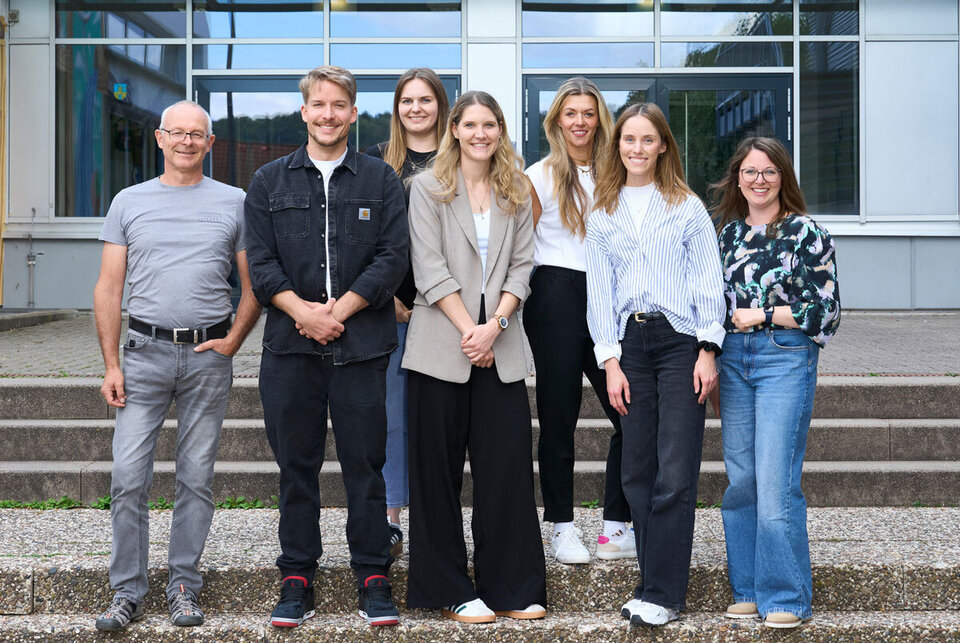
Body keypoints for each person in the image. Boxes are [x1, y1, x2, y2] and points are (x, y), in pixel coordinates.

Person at [243, 65, 409, 628]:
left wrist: (338, 312)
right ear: (304, 112)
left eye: (339, 105)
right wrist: (303, 313)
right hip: (290, 351)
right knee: (297, 468)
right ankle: (296, 578)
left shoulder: (381, 180)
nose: (329, 114)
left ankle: (373, 576)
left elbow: (393, 257)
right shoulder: (269, 181)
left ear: (354, 114)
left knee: (366, 464)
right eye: (319, 104)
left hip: (362, 348)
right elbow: (260, 263)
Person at [92, 100, 261, 631]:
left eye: (197, 134)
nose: (187, 141)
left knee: (195, 478)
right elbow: (108, 288)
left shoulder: (235, 202)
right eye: (177, 132)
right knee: (127, 478)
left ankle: (184, 585)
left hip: (209, 358)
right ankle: (127, 591)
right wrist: (110, 364)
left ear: (210, 144)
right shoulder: (128, 201)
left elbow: (254, 285)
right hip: (143, 355)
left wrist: (234, 340)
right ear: (160, 138)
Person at [402, 90, 546, 624]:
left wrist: (495, 327)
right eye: (471, 125)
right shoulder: (426, 189)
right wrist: (472, 332)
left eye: (490, 125)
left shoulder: (517, 190)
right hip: (442, 346)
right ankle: (449, 589)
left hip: (500, 345)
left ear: (500, 131)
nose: (480, 134)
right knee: (436, 473)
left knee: (506, 469)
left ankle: (510, 588)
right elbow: (428, 268)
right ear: (455, 130)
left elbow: (524, 267)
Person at [585, 102, 725, 627]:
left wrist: (707, 349)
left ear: (663, 145)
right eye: (629, 139)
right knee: (637, 471)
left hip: (680, 343)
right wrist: (610, 361)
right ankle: (650, 585)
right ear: (617, 145)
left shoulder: (686, 207)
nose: (637, 148)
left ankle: (664, 594)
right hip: (630, 347)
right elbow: (599, 294)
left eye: (648, 139)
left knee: (675, 469)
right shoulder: (602, 212)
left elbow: (708, 280)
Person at [712, 137, 840, 629]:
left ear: (782, 176)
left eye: (769, 171)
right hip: (732, 360)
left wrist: (763, 314)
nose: (759, 180)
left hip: (784, 357)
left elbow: (826, 312)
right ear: (737, 178)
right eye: (750, 171)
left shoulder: (806, 232)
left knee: (774, 480)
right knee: (741, 481)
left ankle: (785, 595)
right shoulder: (726, 235)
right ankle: (748, 589)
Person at [523, 76, 633, 564]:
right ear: (557, 121)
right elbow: (520, 246)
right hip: (556, 295)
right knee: (559, 417)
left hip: (611, 296)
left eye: (589, 113)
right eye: (571, 113)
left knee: (631, 412)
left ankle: (616, 526)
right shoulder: (539, 175)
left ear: (600, 119)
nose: (580, 122)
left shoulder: (619, 172)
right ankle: (562, 527)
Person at [364, 68, 449, 555]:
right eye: (407, 100)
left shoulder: (460, 155)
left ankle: (439, 521)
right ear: (397, 108)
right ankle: (391, 518)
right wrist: (386, 297)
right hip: (392, 310)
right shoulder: (376, 160)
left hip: (450, 310)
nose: (416, 108)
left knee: (441, 420)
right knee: (393, 416)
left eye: (425, 99)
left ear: (441, 105)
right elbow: (365, 240)